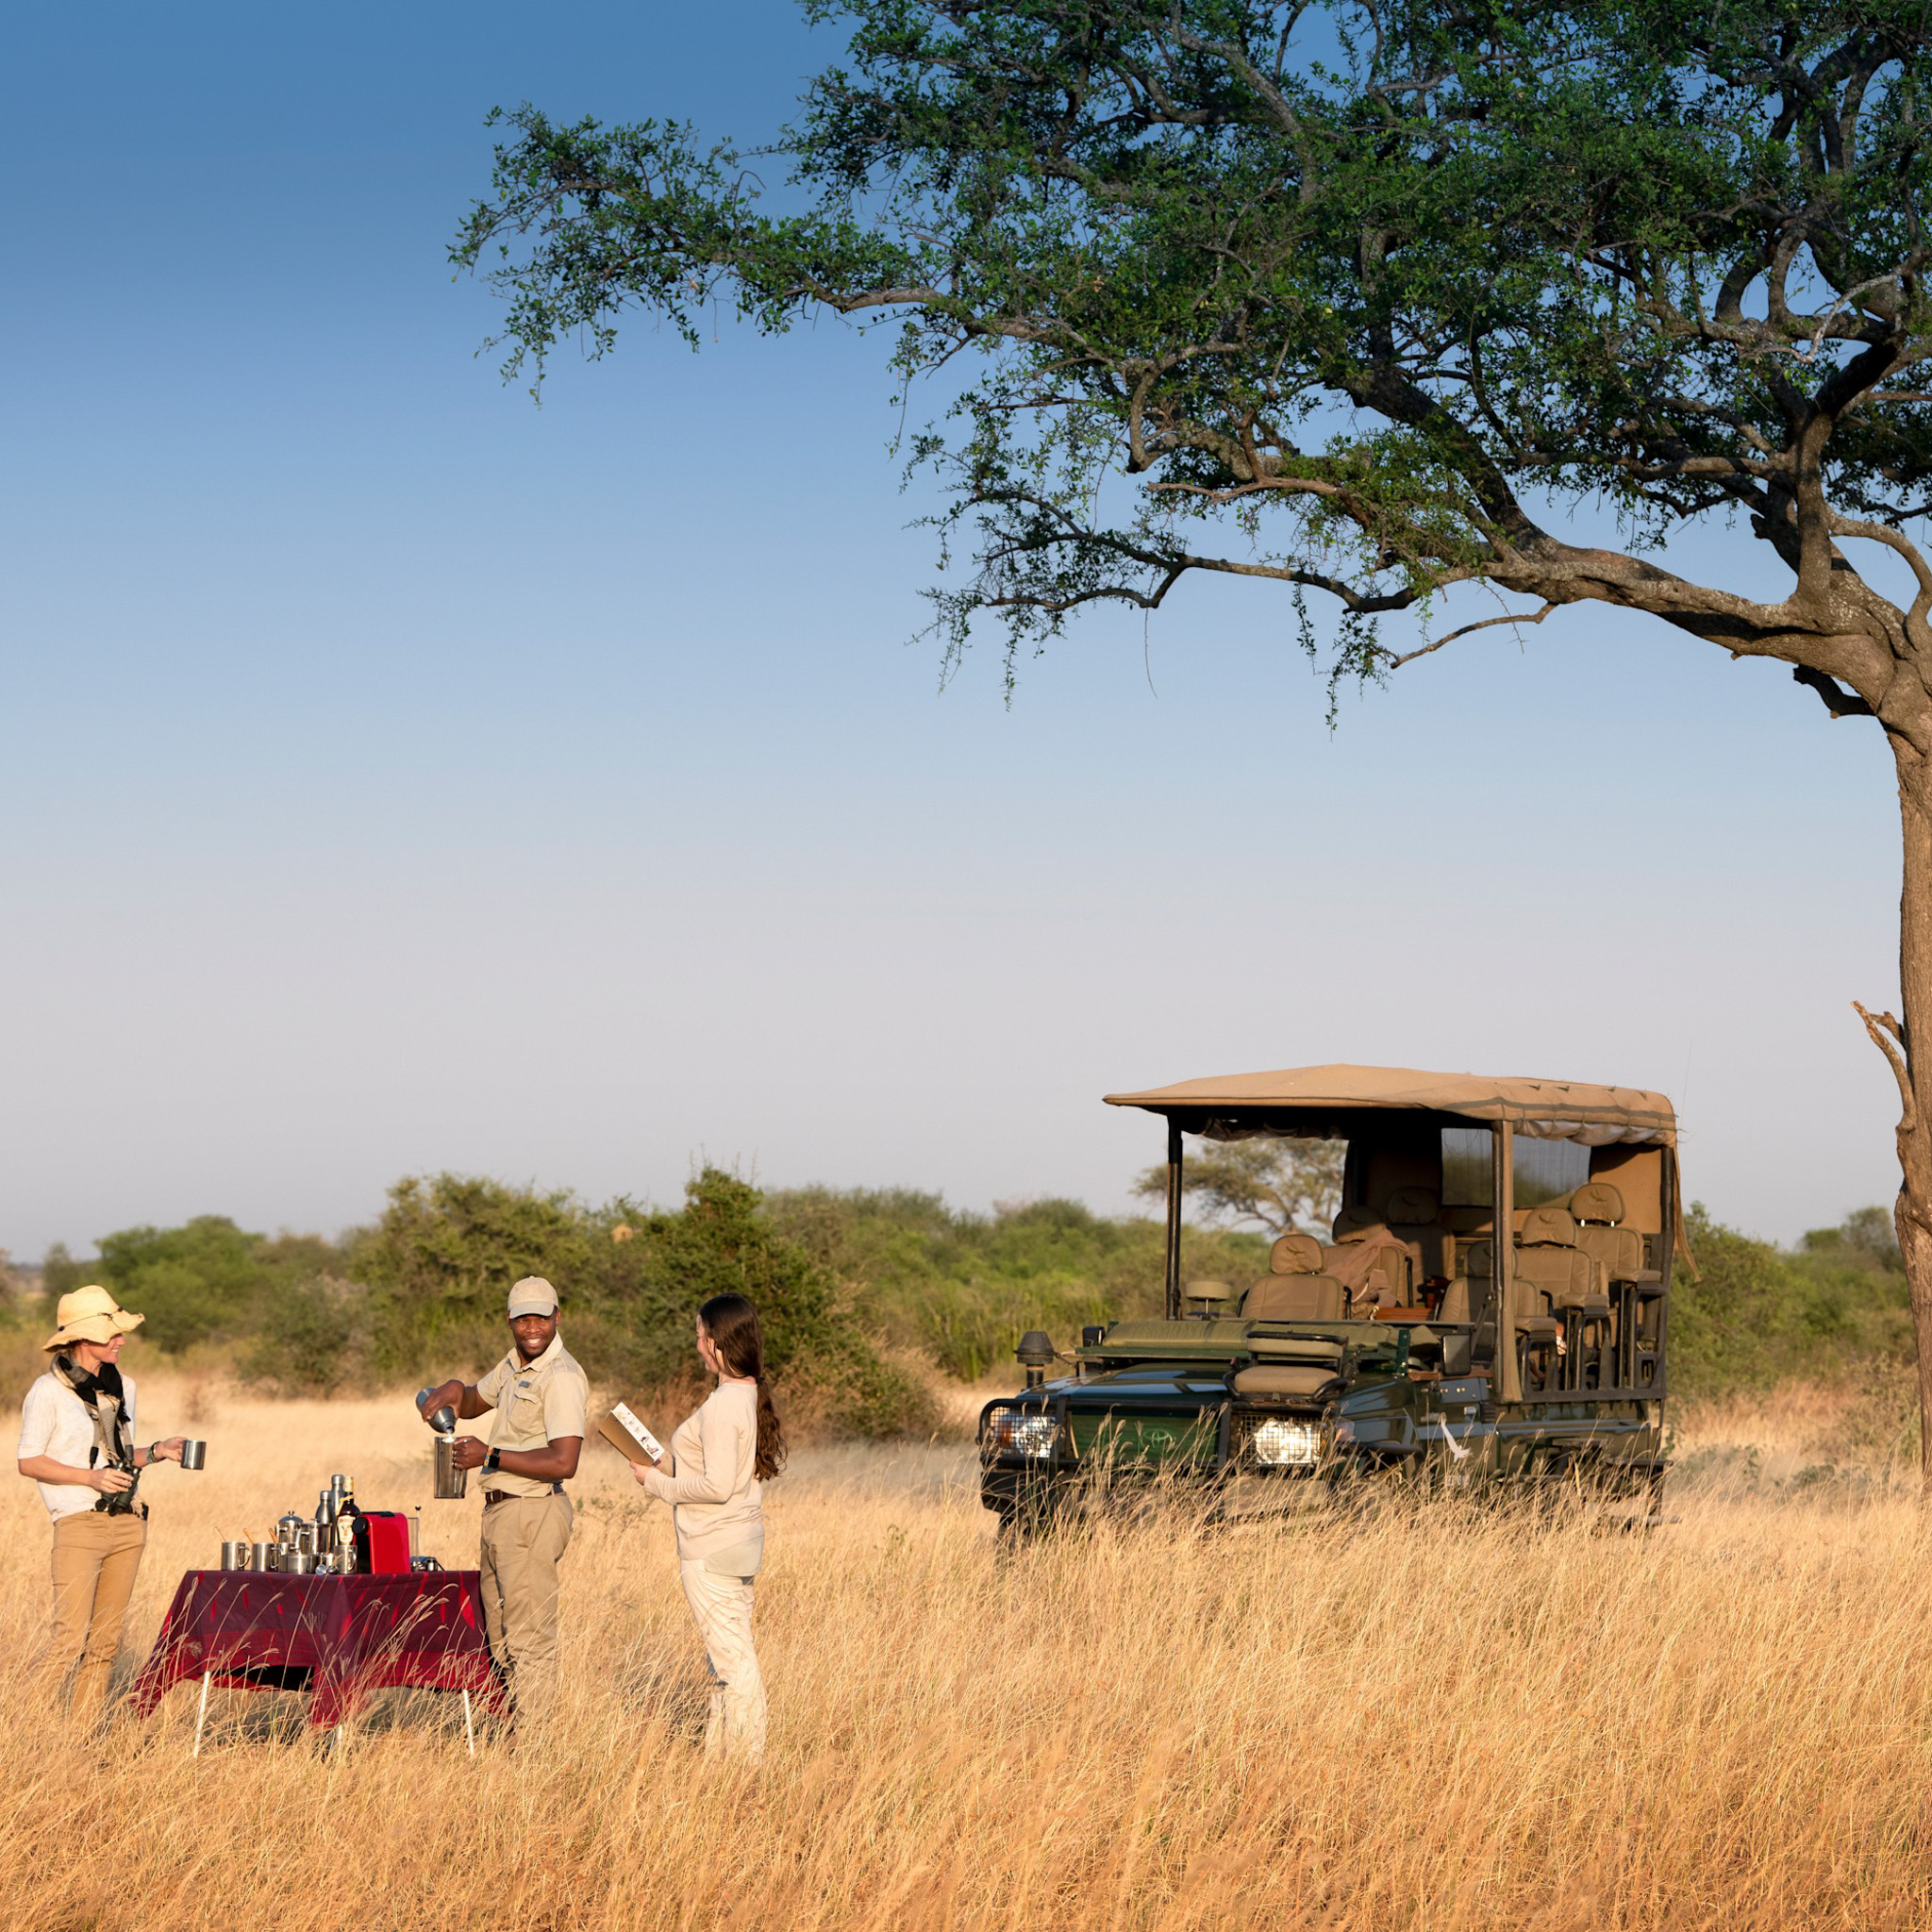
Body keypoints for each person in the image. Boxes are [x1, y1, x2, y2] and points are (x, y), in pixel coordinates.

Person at [418, 1275, 588, 1730]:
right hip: (499, 1511)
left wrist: (488, 1455)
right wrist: (455, 1389)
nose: (533, 1327)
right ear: (508, 1321)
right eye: (522, 1318)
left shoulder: (562, 1377)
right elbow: (476, 1400)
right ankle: (519, 1736)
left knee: (528, 1639)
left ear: (557, 1316)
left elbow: (563, 1461)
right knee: (501, 1637)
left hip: (531, 1512)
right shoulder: (514, 1364)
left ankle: (535, 1756)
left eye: (541, 1317)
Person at [16, 1286, 185, 1731]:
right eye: (111, 1334)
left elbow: (119, 1458)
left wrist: (160, 1451)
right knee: (69, 1641)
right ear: (82, 1338)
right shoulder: (47, 1391)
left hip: (128, 1524)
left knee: (106, 1642)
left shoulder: (124, 1387)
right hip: (77, 1524)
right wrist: (89, 1478)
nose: (121, 1341)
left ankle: (81, 1737)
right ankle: (22, 1733)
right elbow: (28, 1461)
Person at [633, 1291, 785, 1764]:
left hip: (712, 1546)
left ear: (718, 1342)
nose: (697, 1344)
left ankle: (745, 1769)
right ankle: (720, 1763)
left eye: (701, 1334)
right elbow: (725, 1469)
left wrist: (656, 1481)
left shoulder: (724, 1404)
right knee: (726, 1661)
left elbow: (718, 1485)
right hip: (737, 1541)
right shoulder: (744, 1393)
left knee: (735, 1666)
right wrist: (670, 1462)